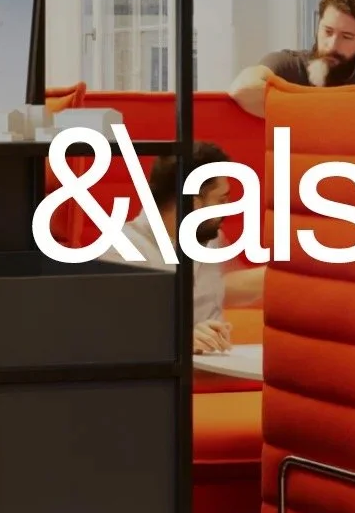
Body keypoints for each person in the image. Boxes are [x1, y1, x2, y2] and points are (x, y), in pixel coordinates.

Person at [98, 141, 265, 354]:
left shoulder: (210, 240)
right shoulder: (121, 251)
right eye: (221, 200)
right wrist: (180, 340)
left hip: (216, 370)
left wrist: (304, 274)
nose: (227, 209)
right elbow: (116, 336)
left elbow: (227, 286)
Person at [228, 0, 355, 117]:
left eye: (346, 37)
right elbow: (243, 88)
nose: (332, 45)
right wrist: (320, 113)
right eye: (328, 31)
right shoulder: (289, 66)